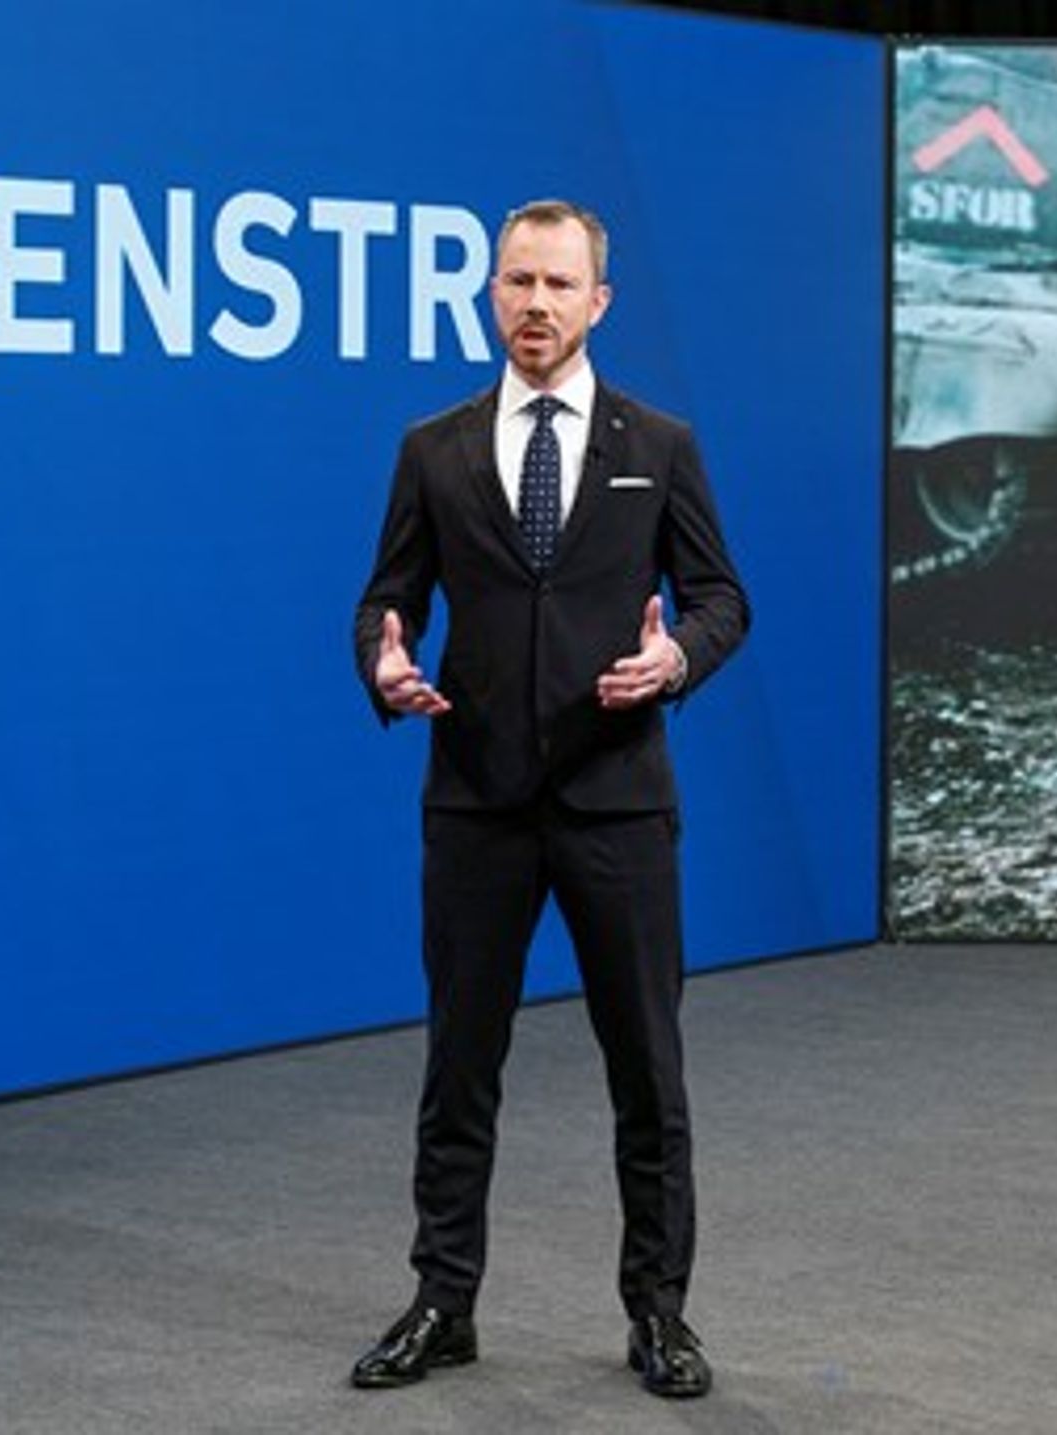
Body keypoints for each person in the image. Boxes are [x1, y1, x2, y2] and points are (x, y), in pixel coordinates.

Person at [347, 197, 748, 1396]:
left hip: (618, 802)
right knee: (459, 1066)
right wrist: (382, 655)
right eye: (517, 282)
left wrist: (676, 658)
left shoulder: (659, 444)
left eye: (558, 285)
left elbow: (722, 599)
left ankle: (660, 1314)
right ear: (490, 295)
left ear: (598, 302)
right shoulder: (434, 446)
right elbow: (386, 597)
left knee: (646, 1071)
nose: (535, 304)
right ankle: (442, 1301)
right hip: (474, 802)